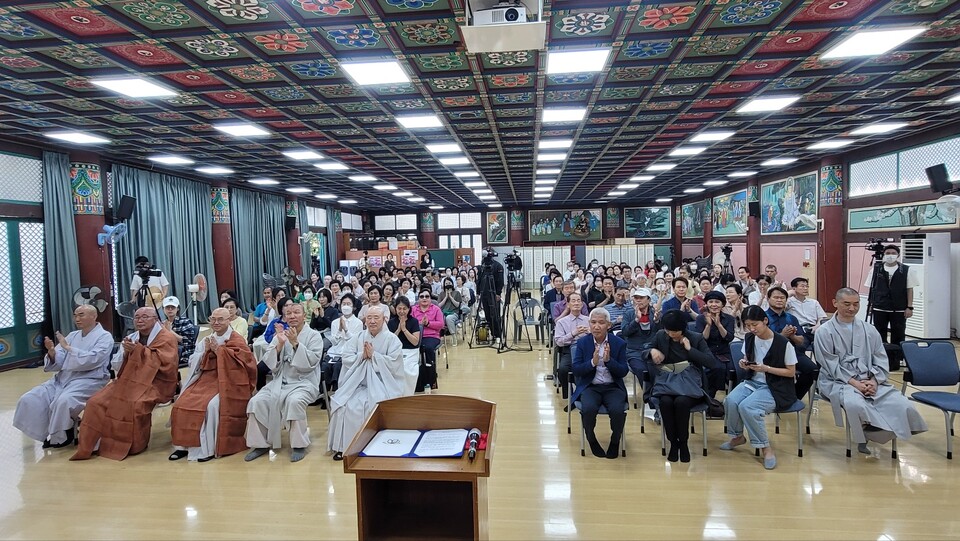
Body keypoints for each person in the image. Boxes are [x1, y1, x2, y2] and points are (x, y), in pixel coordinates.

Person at [815, 288, 927, 454]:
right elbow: (829, 364)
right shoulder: (824, 332)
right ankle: (864, 435)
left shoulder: (869, 330)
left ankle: (880, 430)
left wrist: (874, 380)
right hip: (837, 381)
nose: (852, 308)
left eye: (855, 304)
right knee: (856, 404)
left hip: (870, 379)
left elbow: (880, 357)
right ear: (835, 303)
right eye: (846, 304)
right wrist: (855, 383)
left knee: (901, 404)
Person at [71, 308, 178, 460]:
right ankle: (96, 443)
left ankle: (134, 445)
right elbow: (117, 366)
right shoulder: (132, 337)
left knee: (134, 404)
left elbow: (167, 363)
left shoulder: (166, 337)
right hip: (128, 380)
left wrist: (139, 351)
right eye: (137, 317)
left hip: (155, 382)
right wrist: (128, 353)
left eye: (145, 317)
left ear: (155, 319)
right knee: (95, 402)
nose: (140, 320)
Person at [14, 305, 113, 448]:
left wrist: (68, 349)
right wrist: (52, 352)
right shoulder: (73, 335)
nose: (77, 319)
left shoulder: (105, 337)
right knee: (29, 399)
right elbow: (59, 359)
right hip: (62, 378)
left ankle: (62, 434)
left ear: (94, 316)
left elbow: (93, 359)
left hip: (90, 379)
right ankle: (48, 433)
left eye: (81, 315)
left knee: (63, 401)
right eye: (75, 315)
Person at [169, 308, 257, 462]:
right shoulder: (206, 338)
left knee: (211, 405)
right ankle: (182, 446)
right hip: (205, 379)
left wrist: (220, 351)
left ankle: (208, 448)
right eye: (213, 319)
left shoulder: (236, 339)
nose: (216, 323)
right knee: (181, 403)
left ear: (229, 319)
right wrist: (205, 352)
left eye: (220, 319)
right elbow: (193, 361)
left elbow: (247, 365)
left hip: (229, 382)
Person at [244, 302, 325, 463]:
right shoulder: (279, 335)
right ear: (284, 316)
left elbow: (311, 362)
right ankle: (260, 443)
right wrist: (280, 344)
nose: (292, 316)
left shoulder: (314, 336)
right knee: (256, 401)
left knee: (294, 401)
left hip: (305, 382)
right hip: (280, 381)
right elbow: (269, 363)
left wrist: (295, 343)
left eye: (296, 312)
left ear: (304, 316)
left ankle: (298, 444)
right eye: (288, 313)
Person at [720, 306, 798, 470]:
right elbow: (747, 358)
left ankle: (765, 448)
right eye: (748, 325)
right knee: (730, 401)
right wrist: (744, 363)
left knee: (748, 407)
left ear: (765, 321)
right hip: (753, 381)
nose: (752, 329)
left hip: (776, 387)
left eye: (755, 324)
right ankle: (737, 437)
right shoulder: (749, 338)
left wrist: (767, 369)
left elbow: (791, 373)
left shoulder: (783, 343)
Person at [327, 308, 404, 460]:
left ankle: (374, 446)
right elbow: (346, 357)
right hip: (358, 383)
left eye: (376, 317)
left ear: (384, 319)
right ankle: (345, 447)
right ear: (365, 320)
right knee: (343, 403)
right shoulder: (358, 337)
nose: (372, 321)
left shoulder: (392, 339)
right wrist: (362, 356)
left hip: (383, 383)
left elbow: (395, 364)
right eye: (369, 318)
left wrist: (375, 357)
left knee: (372, 403)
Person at [648, 310, 716, 463]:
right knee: (665, 402)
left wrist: (690, 350)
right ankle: (673, 442)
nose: (671, 334)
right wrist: (652, 351)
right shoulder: (661, 335)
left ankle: (683, 443)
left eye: (675, 331)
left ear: (683, 328)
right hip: (667, 382)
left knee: (681, 402)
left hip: (688, 385)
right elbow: (644, 351)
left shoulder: (695, 338)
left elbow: (711, 362)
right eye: (668, 330)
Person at [571, 308, 629, 459]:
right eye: (593, 322)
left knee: (617, 411)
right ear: (589, 324)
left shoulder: (619, 343)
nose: (597, 326)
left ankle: (615, 441)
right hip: (591, 387)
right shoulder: (583, 343)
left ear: (608, 325)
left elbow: (623, 371)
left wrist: (609, 361)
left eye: (601, 323)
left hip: (612, 387)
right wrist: (592, 362)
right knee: (588, 409)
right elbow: (576, 370)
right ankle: (591, 438)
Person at [865, 245, 918, 371]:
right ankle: (880, 359)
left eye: (893, 253)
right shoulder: (876, 269)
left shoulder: (906, 270)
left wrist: (909, 307)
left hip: (899, 308)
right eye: (887, 252)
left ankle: (897, 359)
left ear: (898, 255)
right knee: (879, 334)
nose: (890, 255)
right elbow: (872, 288)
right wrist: (872, 304)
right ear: (883, 254)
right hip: (880, 307)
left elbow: (909, 289)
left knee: (898, 334)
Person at [765, 286, 817, 401]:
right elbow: (763, 341)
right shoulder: (763, 317)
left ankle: (793, 397)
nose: (779, 300)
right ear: (768, 299)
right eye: (776, 297)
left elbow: (801, 341)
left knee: (813, 370)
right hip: (771, 354)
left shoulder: (791, 318)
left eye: (782, 298)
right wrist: (782, 335)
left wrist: (792, 335)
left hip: (793, 353)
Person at [620, 288, 661, 400]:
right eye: (636, 298)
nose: (638, 300)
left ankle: (658, 395)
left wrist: (657, 321)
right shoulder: (629, 314)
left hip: (653, 350)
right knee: (642, 370)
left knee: (657, 369)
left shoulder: (655, 312)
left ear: (648, 299)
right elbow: (625, 332)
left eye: (641, 298)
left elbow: (661, 333)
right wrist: (636, 320)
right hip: (634, 351)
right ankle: (650, 398)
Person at [695, 291, 736, 398]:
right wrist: (708, 325)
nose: (714, 305)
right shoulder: (700, 318)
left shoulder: (729, 318)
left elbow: (729, 338)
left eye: (717, 302)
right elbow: (702, 339)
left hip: (724, 352)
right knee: (716, 368)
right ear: (706, 304)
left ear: (722, 304)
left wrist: (718, 325)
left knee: (734, 369)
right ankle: (710, 397)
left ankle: (731, 397)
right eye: (711, 302)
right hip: (708, 352)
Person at [554, 292, 590, 400]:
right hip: (569, 349)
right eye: (573, 301)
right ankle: (569, 394)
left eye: (579, 301)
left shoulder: (588, 320)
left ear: (582, 304)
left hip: (586, 349)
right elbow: (559, 341)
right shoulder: (561, 322)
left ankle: (584, 391)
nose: (576, 303)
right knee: (563, 370)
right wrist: (573, 333)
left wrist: (589, 333)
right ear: (568, 305)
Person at [388, 296, 421, 396]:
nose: (402, 311)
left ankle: (407, 395)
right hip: (396, 351)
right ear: (395, 309)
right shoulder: (391, 322)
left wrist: (404, 329)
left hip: (411, 351)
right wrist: (398, 330)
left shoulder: (414, 321)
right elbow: (389, 342)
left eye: (404, 308)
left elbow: (415, 342)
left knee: (407, 369)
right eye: (399, 308)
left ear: (408, 309)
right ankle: (395, 394)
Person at [412, 289, 444, 391]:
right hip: (416, 336)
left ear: (430, 299)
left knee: (428, 348)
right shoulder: (413, 309)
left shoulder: (436, 309)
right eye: (422, 296)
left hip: (432, 336)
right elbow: (410, 323)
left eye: (427, 296)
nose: (424, 298)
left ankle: (431, 378)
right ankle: (416, 379)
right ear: (418, 299)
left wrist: (428, 324)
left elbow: (441, 324)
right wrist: (419, 324)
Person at [161, 296, 198, 369]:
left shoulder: (185, 321)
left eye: (173, 307)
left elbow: (188, 342)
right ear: (163, 309)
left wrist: (169, 331)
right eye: (167, 307)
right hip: (166, 353)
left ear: (177, 308)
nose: (170, 309)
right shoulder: (162, 323)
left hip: (182, 354)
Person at [787, 277, 827, 344]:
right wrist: (789, 293)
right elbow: (781, 308)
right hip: (799, 330)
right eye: (802, 286)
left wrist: (817, 326)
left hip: (813, 329)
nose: (805, 288)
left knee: (827, 342)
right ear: (794, 288)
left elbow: (821, 317)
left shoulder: (814, 302)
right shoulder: (789, 302)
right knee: (802, 344)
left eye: (807, 286)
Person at [477, 249, 505, 343]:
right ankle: (493, 333)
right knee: (488, 315)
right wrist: (478, 293)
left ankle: (497, 335)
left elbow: (500, 281)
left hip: (493, 294)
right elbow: (479, 280)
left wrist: (498, 293)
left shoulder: (498, 266)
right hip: (484, 293)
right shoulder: (482, 266)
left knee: (495, 315)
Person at [437, 277, 462, 345]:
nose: (448, 284)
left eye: (449, 283)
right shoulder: (441, 294)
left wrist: (450, 297)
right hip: (443, 313)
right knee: (441, 318)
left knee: (449, 318)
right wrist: (445, 297)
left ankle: (453, 336)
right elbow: (439, 305)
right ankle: (440, 337)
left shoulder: (457, 293)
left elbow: (457, 305)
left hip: (454, 313)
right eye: (446, 283)